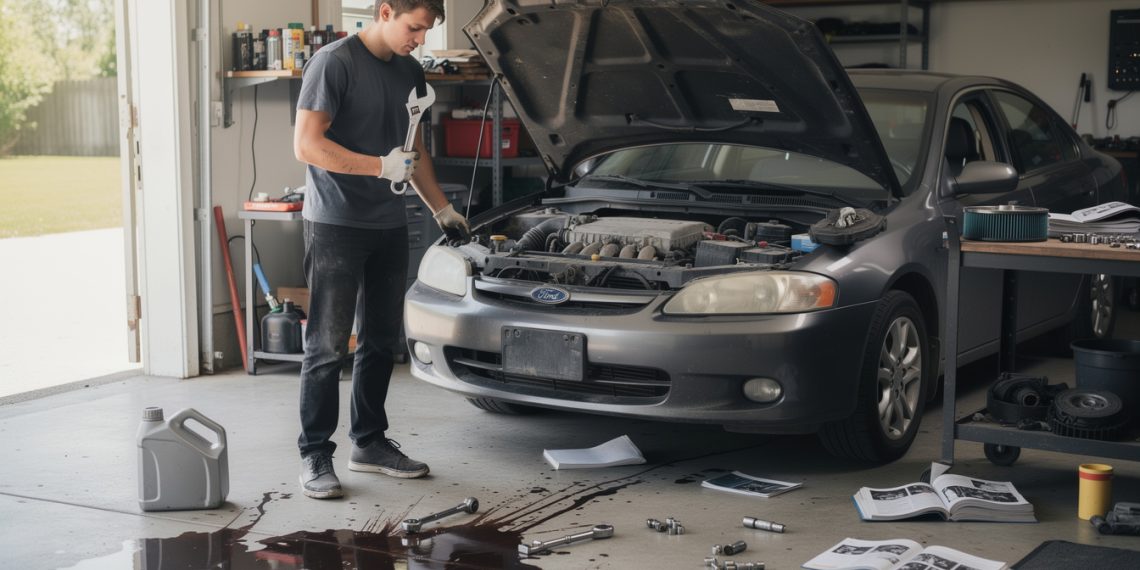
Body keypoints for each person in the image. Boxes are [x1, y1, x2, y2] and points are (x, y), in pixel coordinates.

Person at [291, 0, 467, 499]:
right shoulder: (333, 63)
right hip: (335, 223)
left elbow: (414, 152)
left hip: (390, 222)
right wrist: (377, 167)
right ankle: (315, 454)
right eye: (414, 28)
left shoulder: (410, 71)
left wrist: (442, 210)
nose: (421, 39)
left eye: (427, 30)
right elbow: (306, 145)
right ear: (385, 12)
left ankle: (368, 442)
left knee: (380, 341)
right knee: (327, 345)